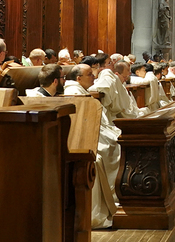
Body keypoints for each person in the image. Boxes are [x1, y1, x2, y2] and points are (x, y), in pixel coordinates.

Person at [63, 64, 121, 229]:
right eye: (90, 74)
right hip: (83, 140)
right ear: (78, 78)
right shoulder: (74, 93)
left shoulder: (81, 91)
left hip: (94, 134)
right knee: (111, 149)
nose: (94, 77)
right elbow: (82, 125)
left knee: (116, 144)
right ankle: (115, 194)